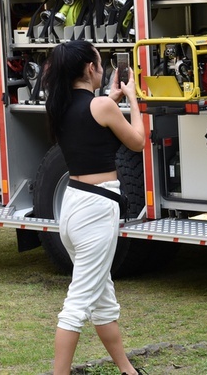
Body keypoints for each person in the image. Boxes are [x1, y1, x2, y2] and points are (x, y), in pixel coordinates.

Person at [43, 40, 146, 375]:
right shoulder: (102, 106)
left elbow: (90, 119)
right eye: (100, 64)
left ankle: (128, 370)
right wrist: (131, 97)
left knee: (102, 299)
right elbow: (138, 141)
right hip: (97, 208)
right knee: (77, 305)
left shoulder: (59, 106)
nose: (102, 70)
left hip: (72, 204)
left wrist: (112, 99)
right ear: (91, 68)